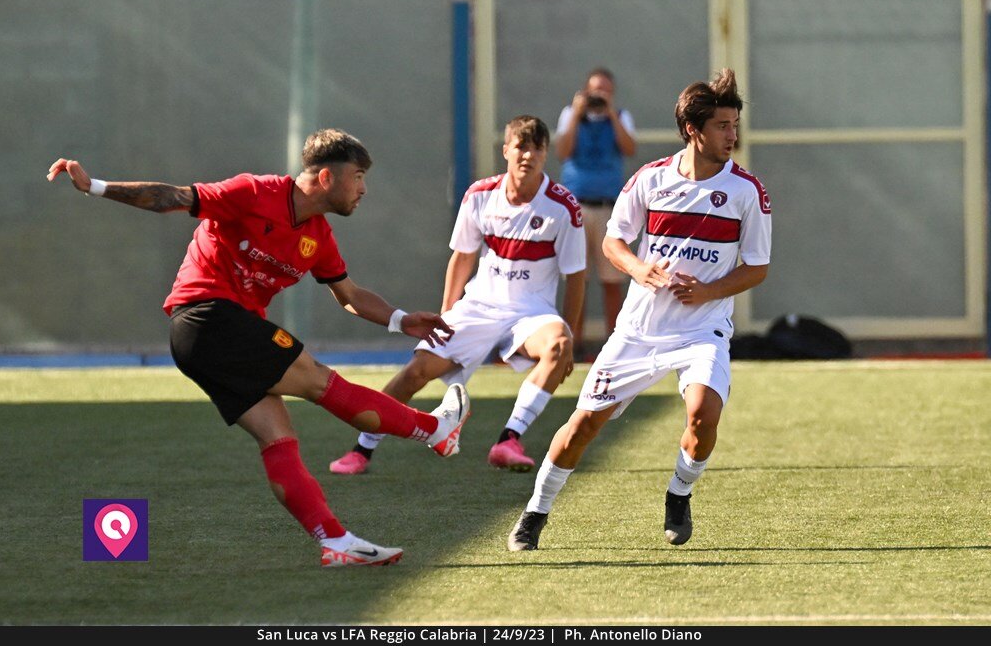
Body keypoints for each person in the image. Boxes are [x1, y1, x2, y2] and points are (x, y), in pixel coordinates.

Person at [46, 129, 471, 568]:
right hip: (207, 318)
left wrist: (401, 320)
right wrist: (94, 186)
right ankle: (433, 430)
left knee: (279, 438)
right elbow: (169, 197)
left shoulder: (319, 236)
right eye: (359, 176)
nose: (364, 189)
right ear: (326, 177)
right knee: (319, 381)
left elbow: (349, 295)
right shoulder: (254, 192)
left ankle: (336, 542)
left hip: (207, 339)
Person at [508, 69, 771, 550]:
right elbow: (613, 240)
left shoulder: (747, 192)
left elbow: (757, 267)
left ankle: (679, 495)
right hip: (638, 332)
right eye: (722, 126)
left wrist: (709, 293)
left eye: (735, 124)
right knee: (582, 427)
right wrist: (639, 269)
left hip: (702, 332)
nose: (733, 135)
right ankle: (535, 513)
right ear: (694, 129)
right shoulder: (650, 179)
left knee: (702, 414)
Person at [329, 115, 585, 475]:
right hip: (480, 306)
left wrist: (571, 334)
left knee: (557, 345)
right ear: (506, 150)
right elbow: (462, 258)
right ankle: (362, 449)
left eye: (537, 147)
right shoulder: (480, 195)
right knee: (417, 371)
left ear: (546, 154)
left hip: (532, 313)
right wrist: (447, 315)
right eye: (522, 146)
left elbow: (576, 277)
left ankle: (509, 440)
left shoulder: (564, 207)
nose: (528, 155)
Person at [555, 67, 637, 350]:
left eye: (605, 91)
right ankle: (572, 344)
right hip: (576, 206)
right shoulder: (571, 115)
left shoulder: (621, 116)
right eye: (594, 91)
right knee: (578, 278)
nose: (599, 96)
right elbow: (563, 150)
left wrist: (611, 114)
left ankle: (614, 343)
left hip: (608, 207)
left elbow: (629, 148)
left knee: (611, 279)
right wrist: (578, 114)